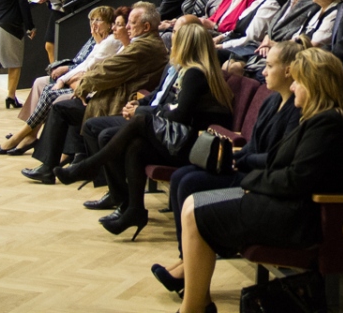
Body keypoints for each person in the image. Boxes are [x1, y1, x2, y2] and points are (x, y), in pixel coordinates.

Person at [176, 48, 343, 313]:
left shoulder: (329, 123)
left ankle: (193, 308)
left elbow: (295, 179)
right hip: (279, 202)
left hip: (293, 215)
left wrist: (250, 183)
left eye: (298, 81)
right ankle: (198, 303)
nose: (293, 87)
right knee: (192, 204)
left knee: (196, 211)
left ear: (314, 85)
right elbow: (279, 163)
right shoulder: (317, 119)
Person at [151, 39, 307, 295]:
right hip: (248, 167)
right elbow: (253, 145)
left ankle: (190, 270)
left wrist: (241, 160)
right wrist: (237, 156)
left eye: (270, 66)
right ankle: (186, 258)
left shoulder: (296, 109)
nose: (264, 71)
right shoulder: (272, 101)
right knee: (181, 176)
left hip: (259, 178)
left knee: (190, 183)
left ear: (289, 71)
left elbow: (277, 157)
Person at [55, 22, 234, 238]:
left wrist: (146, 111)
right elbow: (173, 109)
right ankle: (134, 211)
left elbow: (180, 115)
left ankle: (89, 166)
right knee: (136, 146)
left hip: (193, 146)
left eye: (176, 39)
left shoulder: (195, 74)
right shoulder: (192, 71)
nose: (172, 43)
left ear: (186, 45)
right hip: (184, 139)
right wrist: (153, 108)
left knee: (141, 121)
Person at [23, 3, 170, 184]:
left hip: (117, 104)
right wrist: (82, 83)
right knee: (62, 107)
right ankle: (60, 166)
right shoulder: (143, 43)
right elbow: (103, 68)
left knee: (63, 108)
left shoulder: (143, 47)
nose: (127, 27)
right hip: (112, 98)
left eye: (131, 22)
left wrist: (83, 85)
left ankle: (72, 169)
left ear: (146, 27)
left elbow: (107, 70)